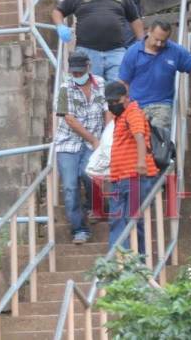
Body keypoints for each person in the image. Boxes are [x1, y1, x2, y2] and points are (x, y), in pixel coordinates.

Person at [119, 19, 191, 136]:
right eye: (156, 39)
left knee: (158, 141)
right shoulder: (133, 52)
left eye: (163, 41)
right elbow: (123, 82)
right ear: (149, 32)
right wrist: (124, 106)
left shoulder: (175, 51)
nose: (159, 44)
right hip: (136, 106)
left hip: (162, 105)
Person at [52, 0, 144, 81]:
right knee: (92, 93)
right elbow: (58, 11)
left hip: (116, 52)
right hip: (87, 52)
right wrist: (60, 26)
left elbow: (134, 19)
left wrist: (141, 43)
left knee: (119, 90)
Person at [55, 51, 112, 244]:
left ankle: (94, 205)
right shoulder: (65, 88)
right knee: (70, 187)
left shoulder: (101, 83)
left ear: (89, 67)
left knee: (90, 176)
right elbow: (69, 119)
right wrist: (94, 140)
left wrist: (106, 136)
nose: (77, 76)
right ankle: (79, 229)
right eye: (74, 73)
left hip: (94, 140)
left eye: (81, 72)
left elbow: (107, 110)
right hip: (68, 144)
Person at [104, 81, 158, 254]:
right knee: (118, 220)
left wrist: (141, 162)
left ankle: (134, 263)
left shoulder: (132, 112)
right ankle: (118, 263)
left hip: (135, 176)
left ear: (126, 98)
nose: (113, 105)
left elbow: (139, 137)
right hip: (120, 178)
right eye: (110, 103)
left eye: (116, 101)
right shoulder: (120, 117)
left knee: (132, 221)